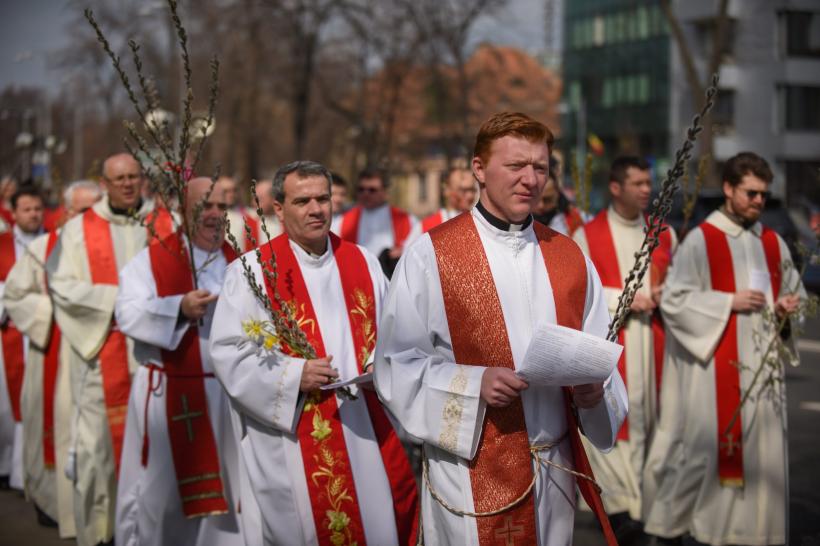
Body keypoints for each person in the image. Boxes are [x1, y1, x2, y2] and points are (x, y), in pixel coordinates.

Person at [374, 112, 627, 545]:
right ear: (479, 168)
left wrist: (593, 396)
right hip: (469, 469)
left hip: (552, 471)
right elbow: (395, 364)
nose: (531, 179)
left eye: (540, 167)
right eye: (515, 166)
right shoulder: (433, 255)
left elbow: (599, 358)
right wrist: (474, 384)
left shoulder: (569, 257)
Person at [210, 160, 419, 545]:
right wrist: (293, 376)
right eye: (302, 201)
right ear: (278, 208)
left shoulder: (362, 261)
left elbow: (397, 332)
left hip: (362, 427)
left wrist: (379, 363)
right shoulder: (253, 272)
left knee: (375, 522)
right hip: (293, 436)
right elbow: (229, 354)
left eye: (323, 199)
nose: (316, 209)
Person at [643, 152, 806, 545]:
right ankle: (706, 532)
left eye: (764, 195)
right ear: (729, 189)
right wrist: (728, 301)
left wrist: (787, 310)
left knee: (762, 454)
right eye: (751, 193)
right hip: (715, 371)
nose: (758, 201)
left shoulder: (773, 243)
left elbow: (794, 297)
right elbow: (675, 301)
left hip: (763, 373)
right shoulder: (702, 240)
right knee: (707, 456)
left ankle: (758, 534)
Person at [46, 153, 172, 546]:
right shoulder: (79, 230)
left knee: (156, 448)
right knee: (96, 451)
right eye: (120, 179)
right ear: (104, 183)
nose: (129, 184)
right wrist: (121, 301)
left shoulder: (165, 222)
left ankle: (148, 533)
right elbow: (61, 286)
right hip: (103, 352)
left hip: (156, 356)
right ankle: (100, 533)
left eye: (134, 176)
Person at [114, 177, 243, 545]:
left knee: (231, 493)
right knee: (161, 495)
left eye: (221, 206)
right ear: (183, 211)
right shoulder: (152, 260)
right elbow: (126, 313)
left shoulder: (242, 264)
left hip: (228, 396)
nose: (215, 214)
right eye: (205, 206)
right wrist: (178, 308)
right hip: (169, 391)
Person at [572, 156, 677, 536]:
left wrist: (668, 294)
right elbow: (578, 292)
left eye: (649, 182)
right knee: (617, 421)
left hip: (655, 340)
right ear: (616, 188)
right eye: (638, 183)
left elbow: (681, 284)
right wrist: (623, 298)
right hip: (616, 342)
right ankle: (619, 508)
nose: (647, 189)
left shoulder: (664, 232)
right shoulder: (588, 235)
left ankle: (644, 508)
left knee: (650, 422)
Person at [3, 181, 102, 537]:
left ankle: (96, 513)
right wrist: (54, 311)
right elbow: (15, 295)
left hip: (98, 357)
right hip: (55, 353)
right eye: (82, 210)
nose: (90, 217)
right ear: (66, 211)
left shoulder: (109, 249)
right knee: (56, 427)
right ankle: (55, 505)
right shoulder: (43, 248)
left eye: (96, 209)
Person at [0, 185, 46, 492]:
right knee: (7, 407)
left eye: (37, 208)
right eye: (26, 209)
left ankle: (34, 471)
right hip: (10, 333)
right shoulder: (2, 245)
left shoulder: (55, 241)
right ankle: (7, 467)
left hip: (45, 330)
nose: (33, 214)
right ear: (13, 213)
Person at [332, 168, 419, 277]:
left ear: (385, 192)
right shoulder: (342, 222)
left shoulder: (406, 220)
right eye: (361, 189)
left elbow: (418, 252)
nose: (366, 194)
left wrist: (404, 251)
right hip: (356, 277)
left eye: (372, 190)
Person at [532, 168, 586, 237]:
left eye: (547, 200)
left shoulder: (578, 219)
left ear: (557, 194)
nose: (541, 206)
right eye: (535, 199)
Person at [421, 167, 478, 232]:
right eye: (463, 190)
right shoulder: (427, 226)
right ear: (447, 190)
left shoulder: (479, 223)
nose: (470, 196)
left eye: (472, 190)